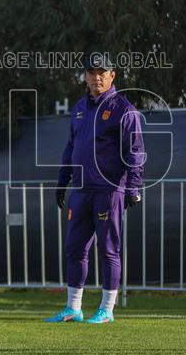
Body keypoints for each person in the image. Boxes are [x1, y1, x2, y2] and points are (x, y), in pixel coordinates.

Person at [47, 54, 144, 324]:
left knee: (109, 249)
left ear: (113, 75)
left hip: (109, 189)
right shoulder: (79, 107)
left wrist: (133, 186)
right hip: (81, 190)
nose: (96, 77)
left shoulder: (125, 109)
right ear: (85, 76)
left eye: (103, 72)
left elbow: (135, 151)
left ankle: (107, 309)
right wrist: (62, 180)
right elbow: (71, 147)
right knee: (74, 248)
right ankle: (73, 308)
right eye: (91, 72)